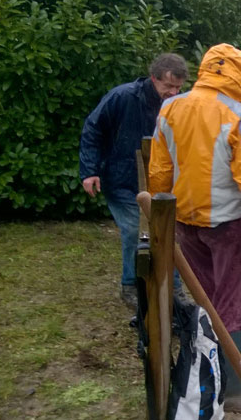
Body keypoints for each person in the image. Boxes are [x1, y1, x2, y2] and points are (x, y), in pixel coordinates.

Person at [148, 43, 241, 413]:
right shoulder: (238, 114)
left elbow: (159, 167)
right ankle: (233, 389)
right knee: (232, 301)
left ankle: (203, 371)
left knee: (203, 296)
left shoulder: (171, 106)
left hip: (185, 221)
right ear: (240, 75)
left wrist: (160, 212)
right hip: (226, 225)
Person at [79, 53, 188, 311]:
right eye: (168, 86)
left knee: (168, 231)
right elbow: (93, 129)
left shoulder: (182, 104)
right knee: (133, 230)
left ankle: (174, 288)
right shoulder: (122, 97)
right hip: (121, 179)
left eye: (178, 87)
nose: (173, 92)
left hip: (161, 182)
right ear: (153, 78)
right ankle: (130, 285)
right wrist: (89, 171)